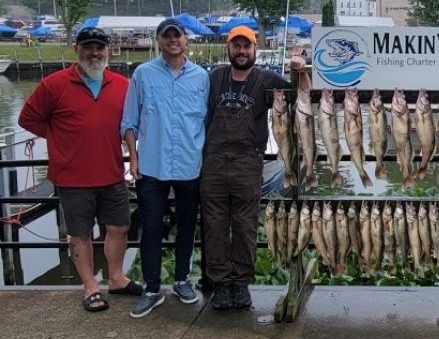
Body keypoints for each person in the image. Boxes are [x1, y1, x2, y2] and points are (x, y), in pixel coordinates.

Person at [18, 26, 142, 311]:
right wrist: (60, 136)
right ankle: (90, 287)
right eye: (88, 47)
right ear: (77, 50)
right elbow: (28, 118)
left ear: (108, 51)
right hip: (72, 176)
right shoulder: (54, 84)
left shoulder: (121, 85)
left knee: (119, 227)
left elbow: (130, 123)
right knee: (80, 233)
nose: (94, 53)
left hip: (112, 172)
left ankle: (116, 278)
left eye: (99, 47)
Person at [200, 27, 306, 310]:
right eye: (236, 46)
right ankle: (220, 284)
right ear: (228, 48)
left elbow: (301, 94)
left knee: (245, 226)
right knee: (214, 226)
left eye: (246, 46)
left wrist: (300, 70)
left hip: (248, 162)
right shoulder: (213, 78)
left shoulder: (266, 79)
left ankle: (240, 283)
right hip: (213, 162)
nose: (241, 52)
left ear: (255, 49)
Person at [121, 17, 210, 319]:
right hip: (152, 166)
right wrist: (133, 159)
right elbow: (129, 121)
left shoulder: (201, 77)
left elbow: (206, 121)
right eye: (167, 35)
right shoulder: (142, 74)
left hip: (189, 166)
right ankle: (152, 289)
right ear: (158, 40)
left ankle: (182, 279)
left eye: (177, 35)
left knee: (187, 226)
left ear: (186, 39)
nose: (173, 40)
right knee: (151, 228)